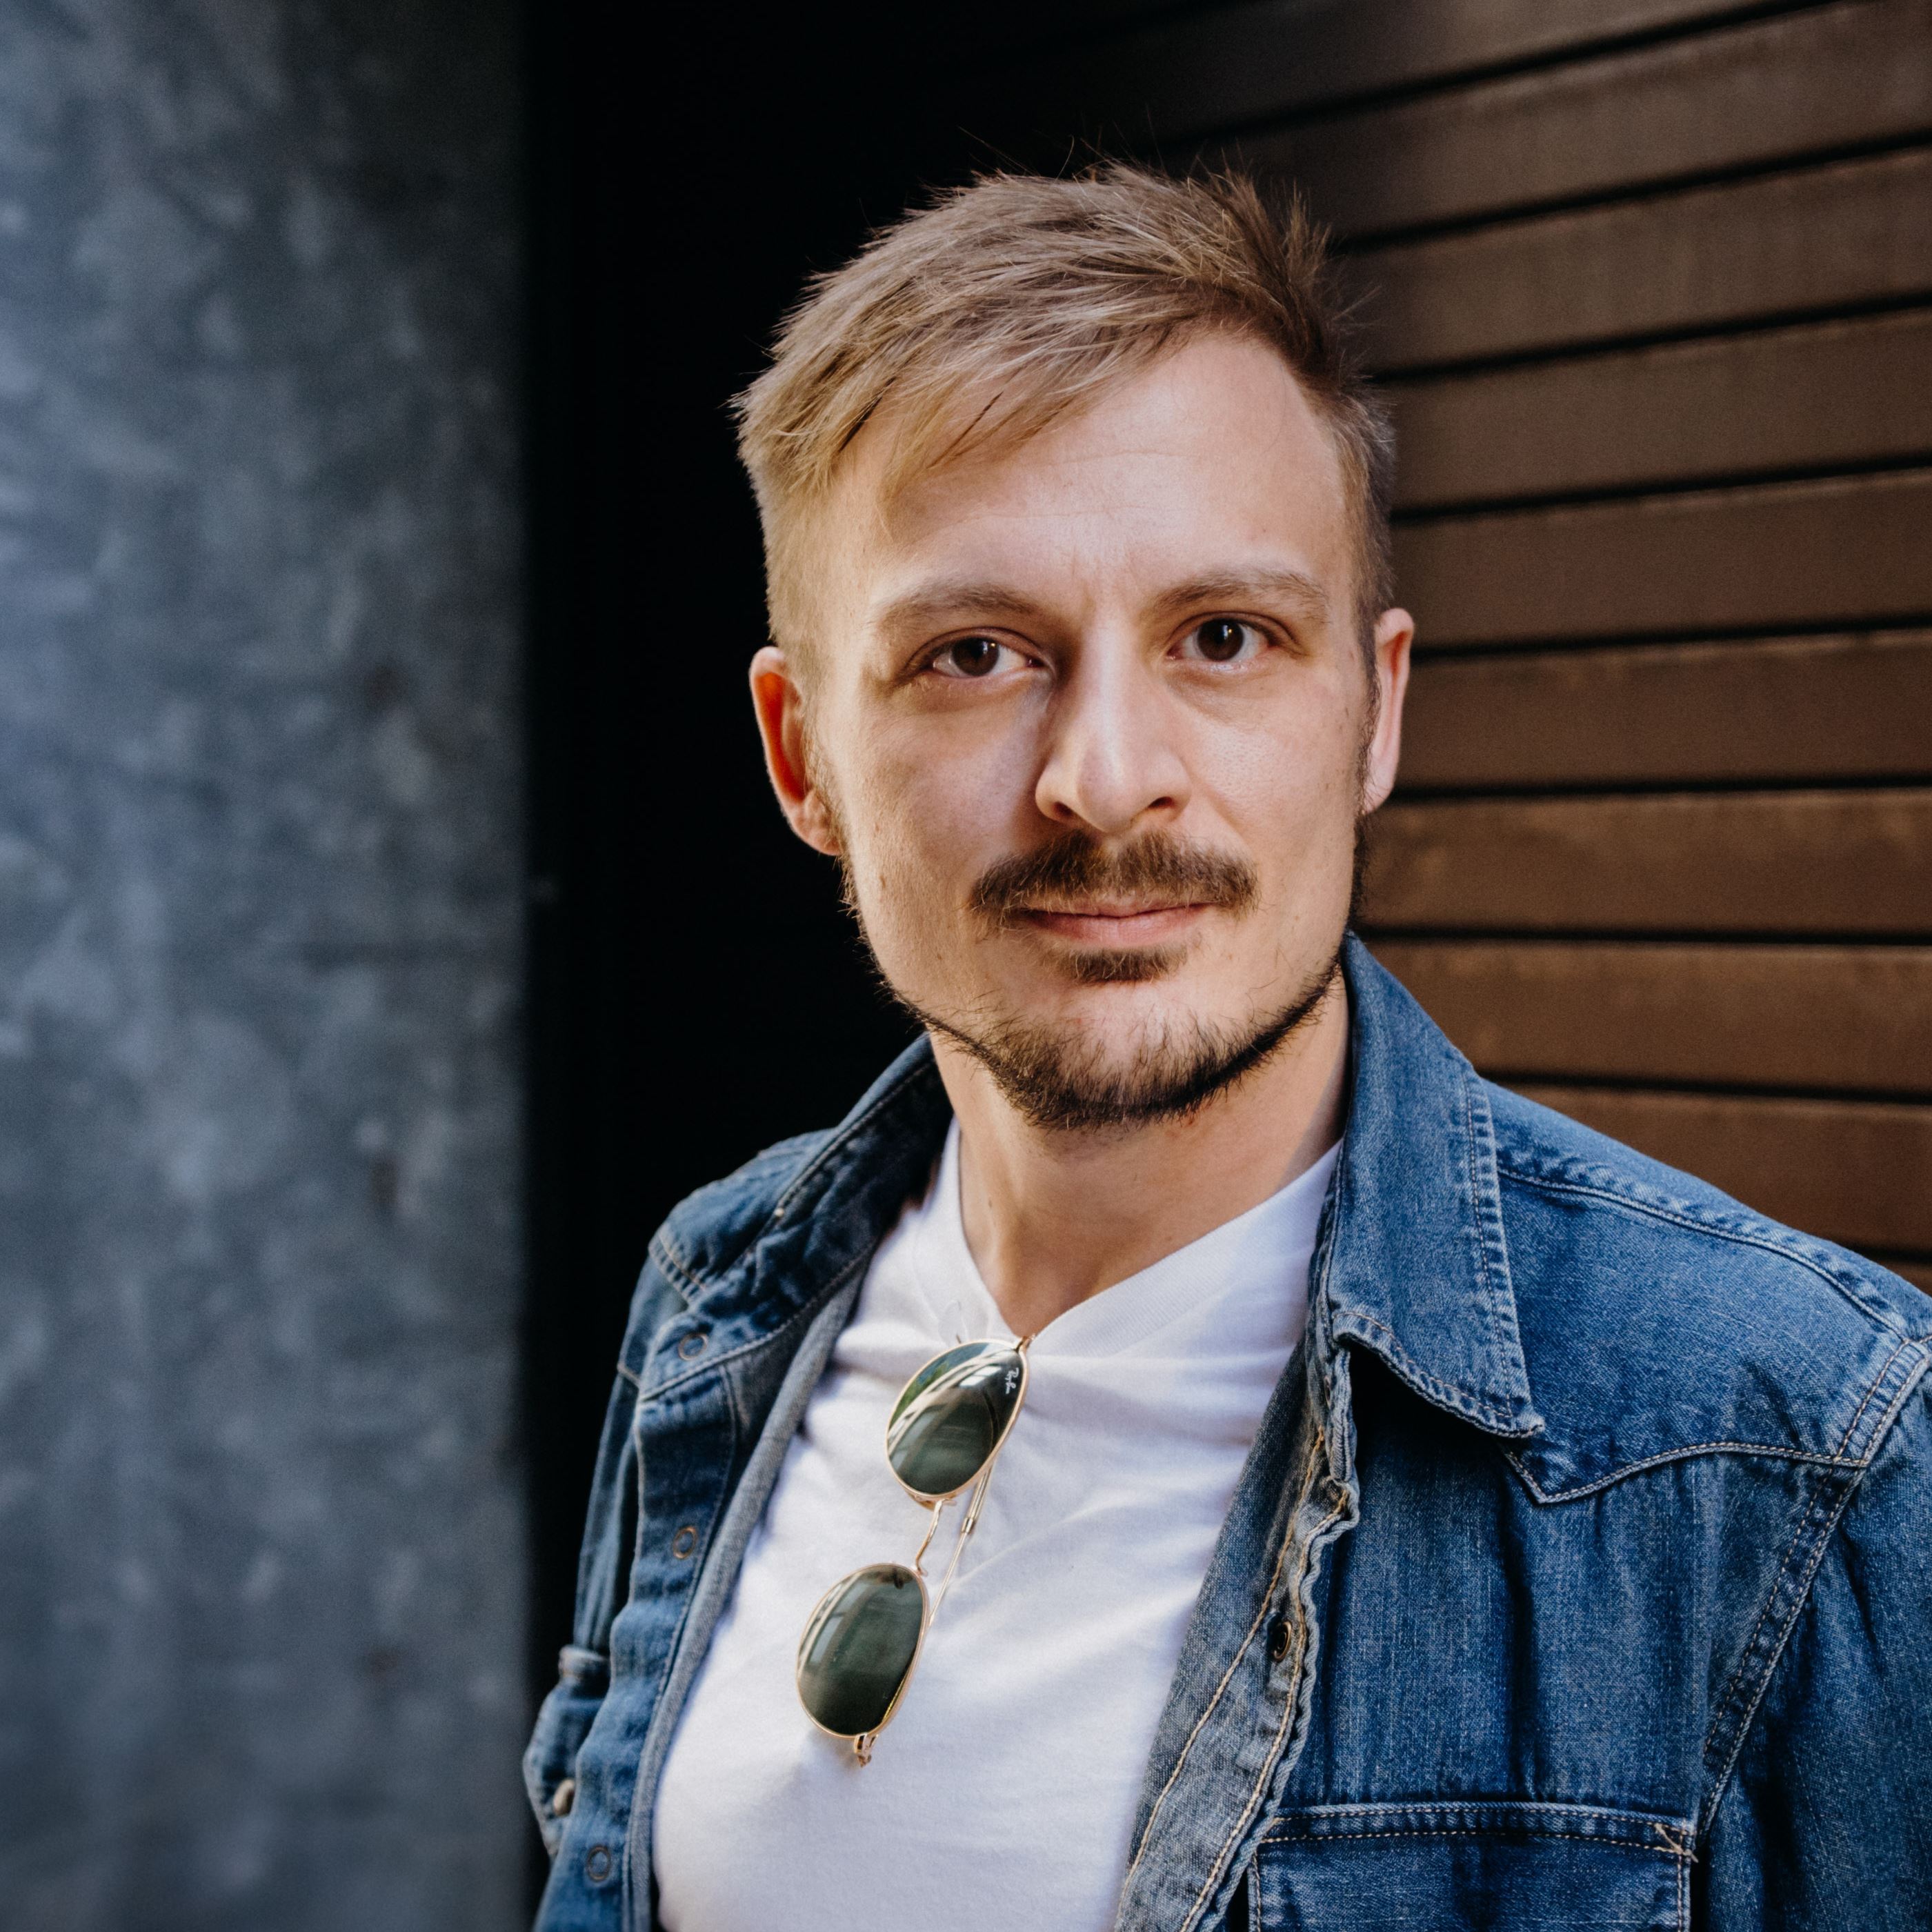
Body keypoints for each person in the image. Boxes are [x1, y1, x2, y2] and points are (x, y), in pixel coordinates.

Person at [525, 167, 1932, 1932]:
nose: (1104, 779)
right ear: (801, 754)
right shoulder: (722, 1297)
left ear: (1374, 707)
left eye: (1223, 639)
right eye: (974, 653)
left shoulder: (1795, 1449)